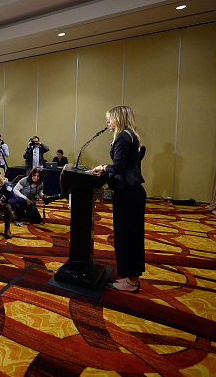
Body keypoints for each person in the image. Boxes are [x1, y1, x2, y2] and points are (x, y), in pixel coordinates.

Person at [90, 106, 146, 293]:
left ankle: (131, 281)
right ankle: (131, 278)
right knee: (131, 236)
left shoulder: (123, 136)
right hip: (133, 192)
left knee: (127, 237)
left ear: (119, 118)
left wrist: (102, 167)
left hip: (128, 194)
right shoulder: (131, 135)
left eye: (110, 119)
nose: (107, 122)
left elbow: (120, 166)